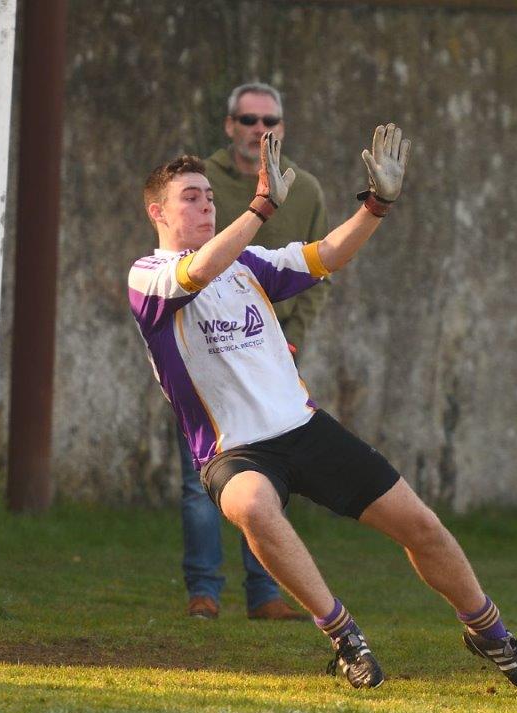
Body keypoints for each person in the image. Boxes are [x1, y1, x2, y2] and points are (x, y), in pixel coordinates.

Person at [129, 127, 517, 690]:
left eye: (208, 194)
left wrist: (377, 206)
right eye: (190, 196)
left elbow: (327, 254)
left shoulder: (247, 262)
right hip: (234, 450)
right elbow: (197, 272)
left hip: (304, 429)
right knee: (252, 506)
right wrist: (261, 206)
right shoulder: (148, 276)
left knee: (421, 526)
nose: (205, 202)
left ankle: (490, 633)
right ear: (157, 211)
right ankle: (344, 635)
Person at [176, 83, 330, 622]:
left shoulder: (305, 189)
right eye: (246, 119)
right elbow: (183, 267)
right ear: (228, 125)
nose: (257, 130)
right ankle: (205, 592)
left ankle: (265, 595)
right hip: (211, 355)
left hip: (276, 356)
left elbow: (318, 273)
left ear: (282, 128)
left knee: (269, 479)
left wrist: (292, 339)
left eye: (269, 121)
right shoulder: (201, 183)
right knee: (202, 484)